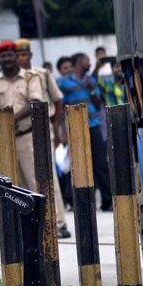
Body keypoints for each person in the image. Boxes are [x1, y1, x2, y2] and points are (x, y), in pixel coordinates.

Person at [15, 38, 71, 238]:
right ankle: (38, 222)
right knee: (25, 180)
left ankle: (58, 222)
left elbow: (58, 101)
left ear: (30, 56)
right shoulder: (14, 78)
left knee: (47, 177)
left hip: (41, 128)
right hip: (18, 134)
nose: (21, 58)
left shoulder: (42, 74)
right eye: (18, 55)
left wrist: (55, 129)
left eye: (24, 54)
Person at [0, 41, 43, 197]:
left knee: (33, 181)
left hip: (26, 137)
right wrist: (1, 121)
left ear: (16, 57)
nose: (7, 59)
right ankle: (17, 221)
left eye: (10, 55)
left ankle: (42, 220)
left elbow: (35, 102)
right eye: (3, 56)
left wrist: (11, 120)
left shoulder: (30, 77)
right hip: (3, 139)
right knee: (8, 184)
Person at [58, 52, 113, 211]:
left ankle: (107, 202)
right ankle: (81, 203)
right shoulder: (64, 83)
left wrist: (91, 89)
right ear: (78, 62)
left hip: (94, 125)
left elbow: (97, 105)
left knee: (101, 164)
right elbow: (61, 109)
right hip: (75, 128)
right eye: (86, 60)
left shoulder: (92, 80)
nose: (89, 63)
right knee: (78, 164)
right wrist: (63, 131)